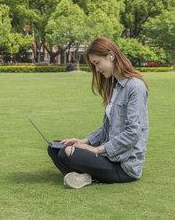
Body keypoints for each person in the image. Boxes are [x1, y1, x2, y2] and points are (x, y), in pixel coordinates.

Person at [47, 37, 149, 189]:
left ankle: (86, 175)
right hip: (108, 157)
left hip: (124, 166)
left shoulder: (135, 87)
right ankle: (86, 177)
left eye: (96, 63)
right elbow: (107, 127)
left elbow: (132, 133)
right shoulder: (112, 86)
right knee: (55, 148)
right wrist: (84, 141)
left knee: (66, 153)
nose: (96, 69)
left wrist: (96, 149)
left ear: (111, 55)